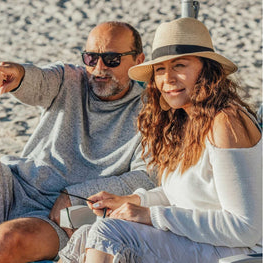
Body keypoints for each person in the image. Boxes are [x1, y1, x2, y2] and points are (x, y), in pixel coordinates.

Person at [0, 21, 157, 263]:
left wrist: (77, 195)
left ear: (138, 59)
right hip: (15, 187)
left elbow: (147, 177)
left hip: (60, 219)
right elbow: (37, 82)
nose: (99, 68)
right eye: (91, 58)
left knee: (5, 240)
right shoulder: (69, 79)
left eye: (111, 59)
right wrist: (17, 76)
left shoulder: (151, 113)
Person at [58, 17, 262, 263]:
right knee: (90, 231)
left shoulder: (226, 123)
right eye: (160, 70)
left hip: (239, 251)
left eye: (180, 66)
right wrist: (133, 201)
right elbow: (188, 195)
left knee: (107, 232)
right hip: (201, 241)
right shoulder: (185, 121)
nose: (168, 79)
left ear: (206, 69)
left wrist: (151, 215)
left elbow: (246, 228)